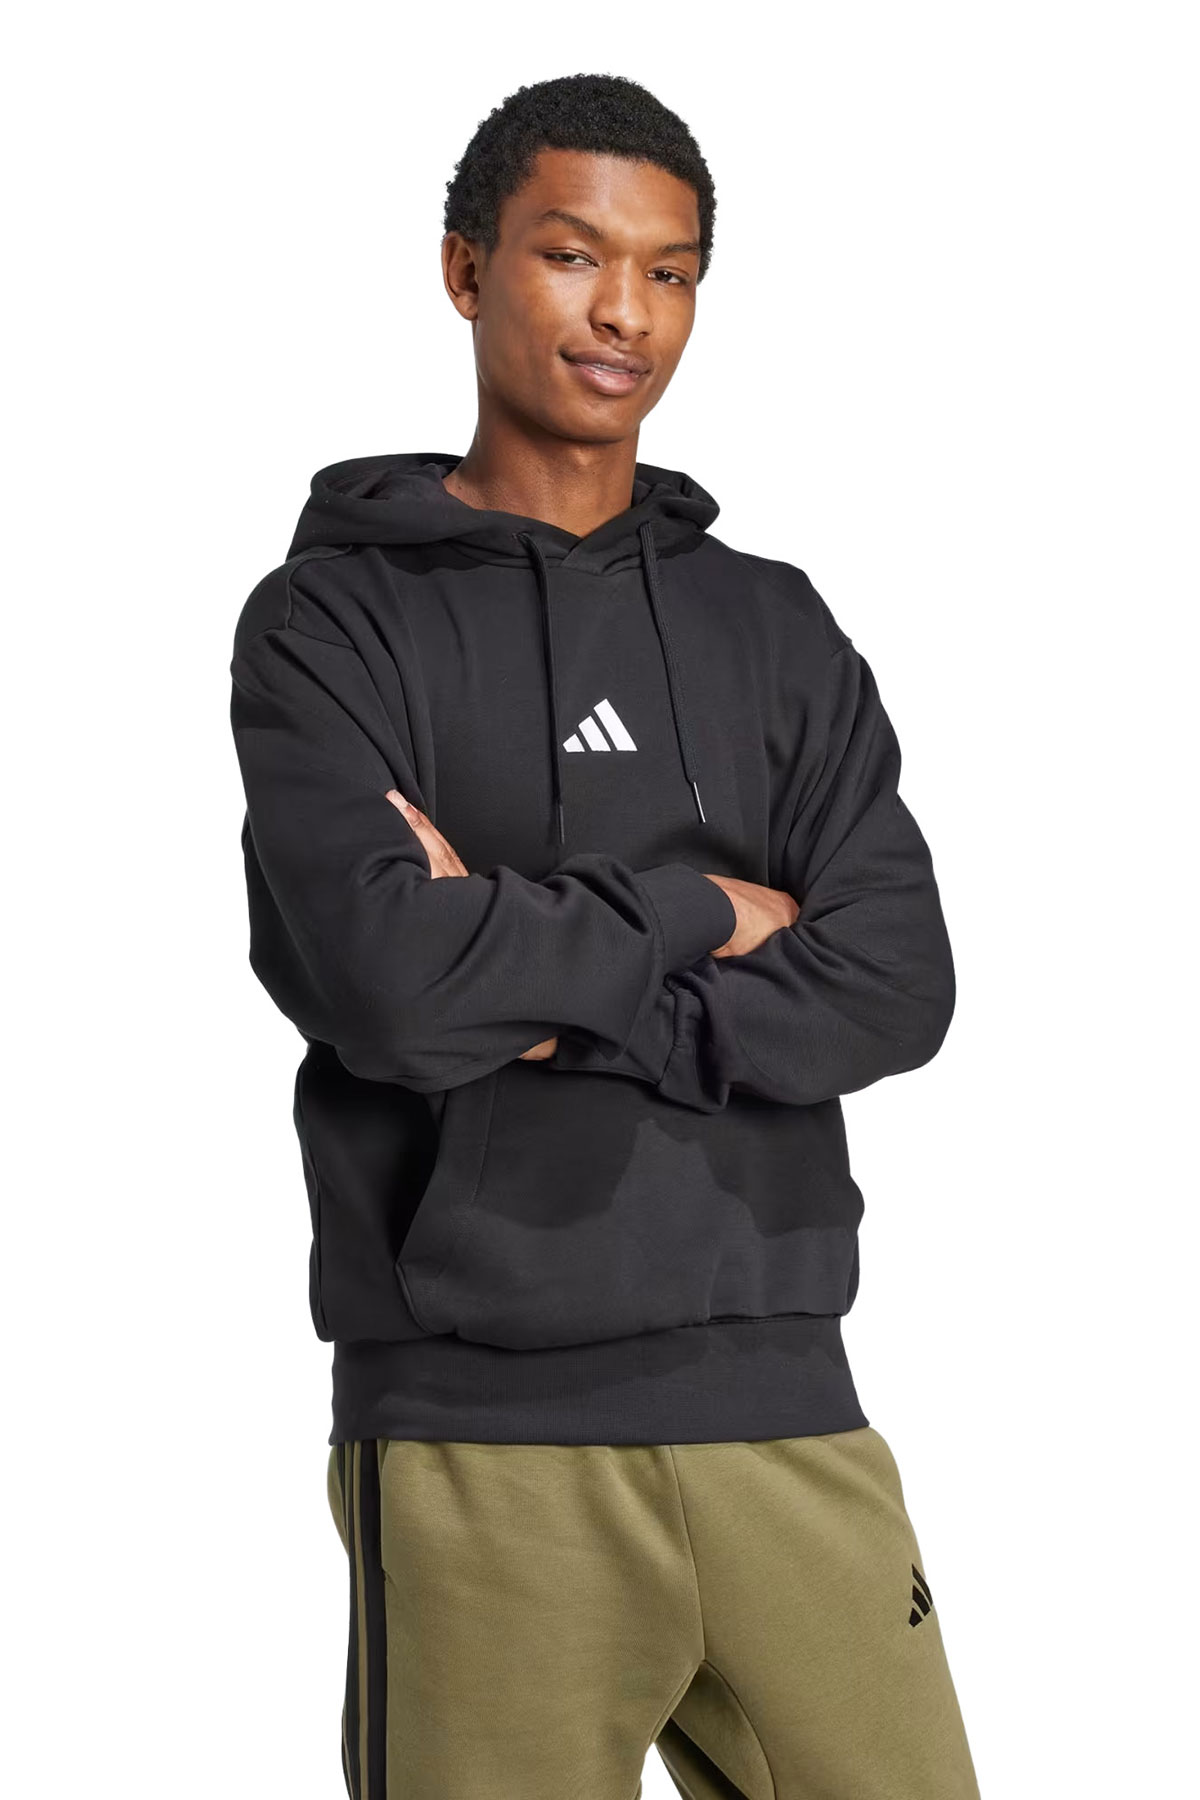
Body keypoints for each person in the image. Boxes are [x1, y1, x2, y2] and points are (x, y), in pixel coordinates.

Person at [229, 70, 980, 1800]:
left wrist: (544, 978)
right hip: (482, 1439)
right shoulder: (333, 622)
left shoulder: (774, 629)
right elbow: (391, 988)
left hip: (790, 1408)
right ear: (466, 266)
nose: (625, 312)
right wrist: (704, 913)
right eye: (574, 255)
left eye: (671, 271)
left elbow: (899, 979)